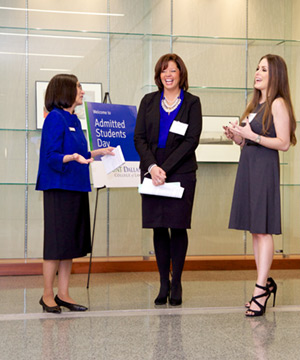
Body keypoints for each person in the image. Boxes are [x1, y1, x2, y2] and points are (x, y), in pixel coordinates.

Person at [224, 54, 297, 317]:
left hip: (264, 170)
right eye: (257, 68)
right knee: (255, 231)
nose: (257, 72)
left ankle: (260, 290)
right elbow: (250, 141)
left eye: (263, 69)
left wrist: (251, 134)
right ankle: (263, 284)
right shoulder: (255, 104)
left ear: (275, 75)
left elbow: (284, 142)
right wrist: (237, 137)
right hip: (249, 167)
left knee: (263, 230)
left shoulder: (278, 104)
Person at [36, 73, 114, 313]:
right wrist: (71, 157)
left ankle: (64, 293)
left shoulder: (74, 120)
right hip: (59, 187)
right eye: (79, 87)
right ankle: (47, 295)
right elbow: (51, 156)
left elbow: (81, 153)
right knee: (55, 245)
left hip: (77, 186)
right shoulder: (55, 118)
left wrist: (100, 152)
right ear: (66, 91)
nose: (82, 91)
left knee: (69, 244)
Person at [134, 53, 202, 306]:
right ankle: (163, 281)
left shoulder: (192, 103)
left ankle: (177, 283)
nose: (168, 75)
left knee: (178, 226)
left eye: (173, 70)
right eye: (164, 70)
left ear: (181, 74)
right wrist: (153, 167)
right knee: (159, 226)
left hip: (181, 171)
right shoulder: (149, 101)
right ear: (158, 75)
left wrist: (165, 168)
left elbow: (191, 140)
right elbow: (138, 138)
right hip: (152, 169)